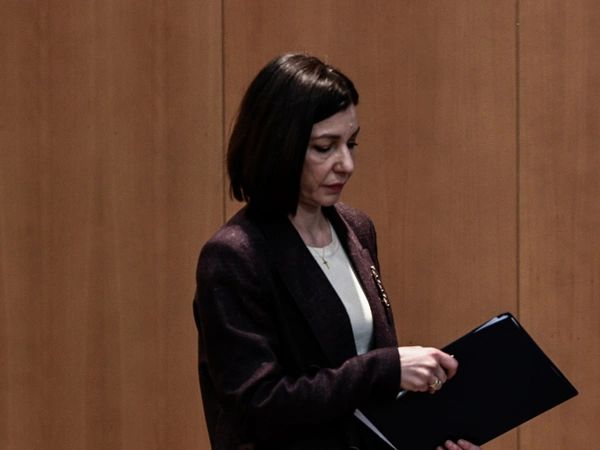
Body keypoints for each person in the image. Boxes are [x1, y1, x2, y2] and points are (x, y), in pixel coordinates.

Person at [193, 53, 482, 450]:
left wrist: (423, 438)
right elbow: (256, 407)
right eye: (325, 147)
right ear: (278, 146)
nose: (346, 164)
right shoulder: (234, 256)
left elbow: (363, 399)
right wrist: (385, 369)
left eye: (351, 143)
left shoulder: (356, 227)